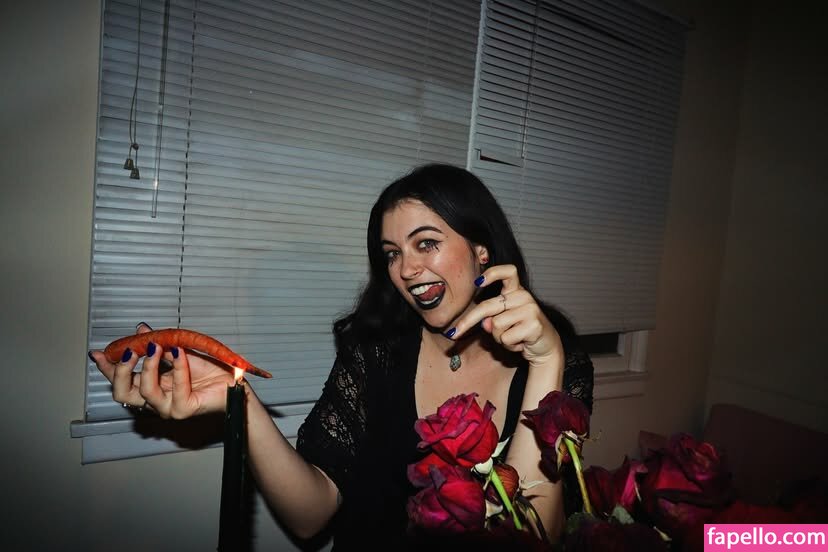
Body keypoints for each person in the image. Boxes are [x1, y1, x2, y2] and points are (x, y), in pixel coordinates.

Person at [89, 163, 594, 549]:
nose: (406, 270)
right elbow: (310, 515)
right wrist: (236, 397)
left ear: (482, 250)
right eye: (392, 253)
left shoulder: (558, 362)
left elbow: (533, 539)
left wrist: (545, 361)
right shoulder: (374, 354)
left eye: (426, 244)